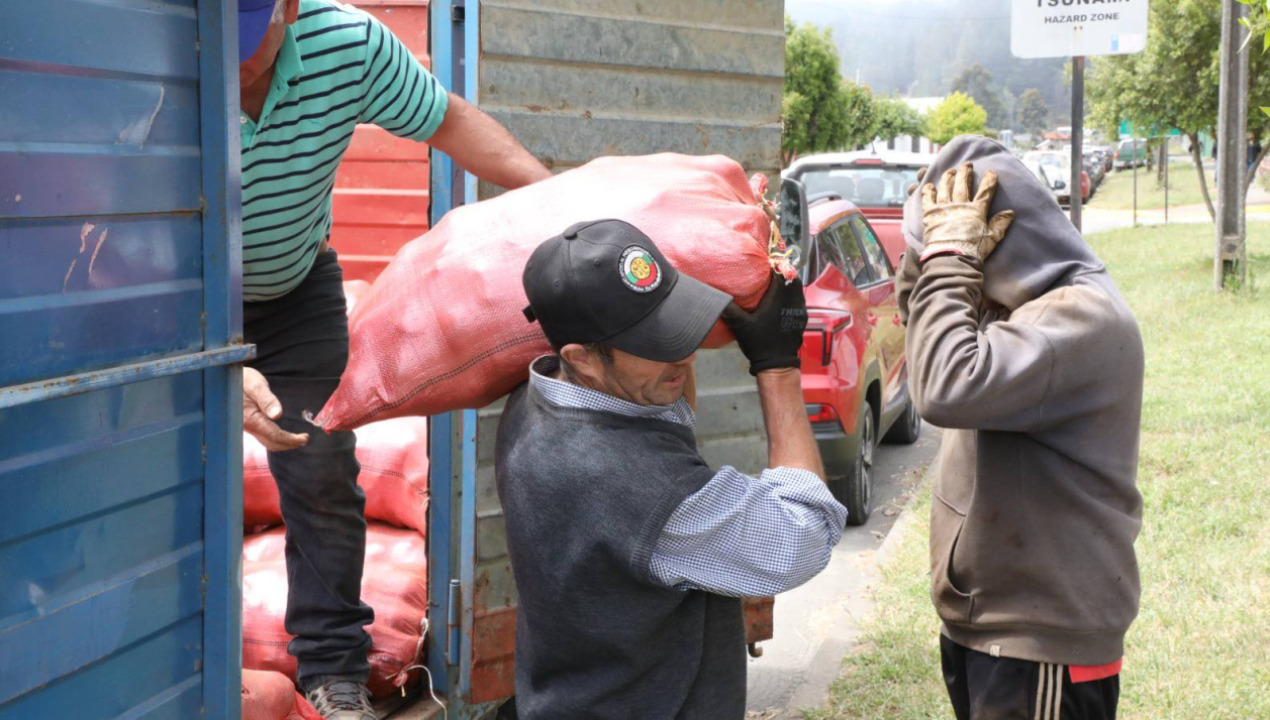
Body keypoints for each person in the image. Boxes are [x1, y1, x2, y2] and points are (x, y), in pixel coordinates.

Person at [234, 1, 551, 717]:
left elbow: (450, 122)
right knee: (163, 475)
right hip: (169, 290)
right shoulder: (154, 47)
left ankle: (332, 670)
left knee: (318, 464)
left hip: (293, 288)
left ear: (287, 6)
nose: (233, 58)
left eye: (247, 36)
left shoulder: (346, 44)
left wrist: (551, 196)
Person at [495, 219, 847, 718]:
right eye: (655, 343)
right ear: (584, 359)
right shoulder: (636, 485)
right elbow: (804, 537)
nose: (684, 353)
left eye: (677, 324)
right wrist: (779, 367)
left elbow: (665, 422)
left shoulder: (535, 399)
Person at [897, 136, 1144, 720]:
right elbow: (921, 324)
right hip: (994, 627)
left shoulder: (1079, 316)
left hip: (1042, 640)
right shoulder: (1014, 303)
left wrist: (951, 264)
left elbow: (943, 383)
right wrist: (929, 254)